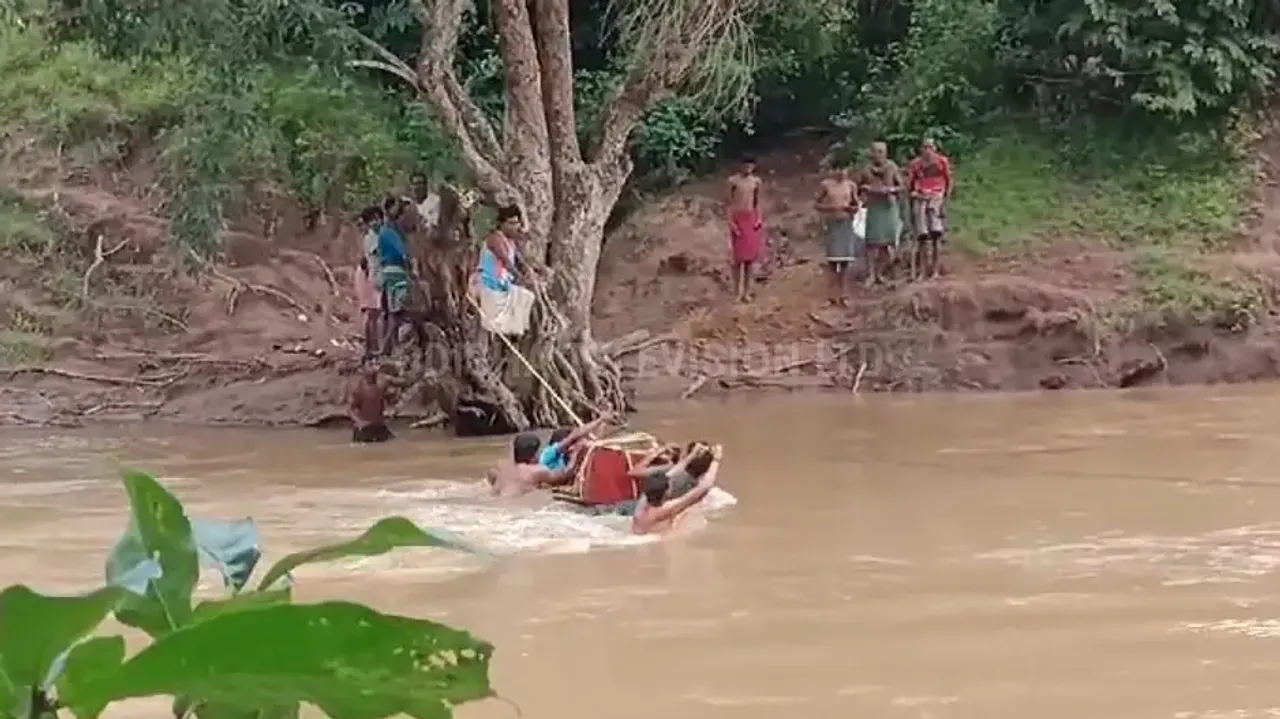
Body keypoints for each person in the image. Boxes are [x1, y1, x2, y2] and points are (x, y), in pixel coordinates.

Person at [632, 443, 722, 535]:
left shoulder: (643, 502)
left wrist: (692, 455)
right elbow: (704, 487)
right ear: (666, 493)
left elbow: (672, 473)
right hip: (655, 539)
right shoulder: (665, 509)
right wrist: (717, 459)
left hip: (638, 532)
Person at [377, 198, 428, 359]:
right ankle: (389, 347)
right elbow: (403, 255)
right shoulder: (389, 232)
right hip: (395, 271)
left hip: (392, 271)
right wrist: (412, 271)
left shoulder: (393, 231)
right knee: (401, 311)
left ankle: (388, 347)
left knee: (397, 312)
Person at [856, 142, 904, 287]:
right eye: (876, 151)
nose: (879, 154)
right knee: (871, 243)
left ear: (886, 153)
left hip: (889, 207)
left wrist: (890, 190)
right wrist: (866, 189)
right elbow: (858, 188)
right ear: (871, 153)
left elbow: (902, 186)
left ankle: (880, 273)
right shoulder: (866, 170)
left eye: (881, 151)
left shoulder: (892, 167)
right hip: (874, 207)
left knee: (887, 243)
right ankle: (870, 274)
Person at [815, 165, 861, 305]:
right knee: (833, 261)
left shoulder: (851, 185)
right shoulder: (826, 185)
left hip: (846, 224)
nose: (842, 172)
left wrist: (851, 209)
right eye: (839, 169)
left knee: (845, 261)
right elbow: (817, 204)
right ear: (833, 170)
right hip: (832, 224)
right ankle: (832, 294)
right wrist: (830, 208)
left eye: (844, 169)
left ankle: (844, 293)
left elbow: (856, 203)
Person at [907, 138, 953, 280]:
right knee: (922, 236)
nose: (927, 150)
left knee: (936, 235)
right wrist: (911, 200)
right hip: (920, 197)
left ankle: (935, 270)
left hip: (936, 196)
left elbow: (948, 180)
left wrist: (945, 202)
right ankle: (922, 271)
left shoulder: (941, 162)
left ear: (935, 148)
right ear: (921, 149)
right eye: (925, 147)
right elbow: (910, 183)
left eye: (930, 147)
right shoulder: (916, 164)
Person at [489, 433, 576, 498]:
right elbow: (566, 473)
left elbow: (491, 475)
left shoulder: (502, 469)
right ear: (533, 456)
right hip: (515, 505)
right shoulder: (537, 471)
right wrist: (576, 454)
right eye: (538, 452)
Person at [726, 157, 764, 303]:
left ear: (753, 166)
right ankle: (737, 291)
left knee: (750, 259)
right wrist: (731, 222)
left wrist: (759, 218)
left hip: (751, 218)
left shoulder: (756, 182)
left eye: (750, 165)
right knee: (737, 259)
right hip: (738, 218)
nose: (748, 167)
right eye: (745, 164)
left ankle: (747, 292)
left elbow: (757, 202)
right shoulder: (733, 181)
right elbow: (728, 203)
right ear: (740, 165)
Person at [539, 416, 610, 474]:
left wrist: (602, 422)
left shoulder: (570, 454)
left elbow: (597, 443)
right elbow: (566, 474)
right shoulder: (548, 453)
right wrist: (575, 453)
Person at [357, 205, 384, 356]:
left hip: (374, 275)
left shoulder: (376, 236)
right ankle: (371, 349)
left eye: (377, 218)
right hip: (372, 276)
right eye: (372, 220)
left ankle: (374, 347)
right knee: (372, 313)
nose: (376, 222)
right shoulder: (373, 237)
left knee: (376, 313)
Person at [348, 364, 396, 443]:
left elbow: (386, 404)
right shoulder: (359, 390)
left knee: (393, 443)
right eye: (370, 375)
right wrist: (360, 422)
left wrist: (391, 411)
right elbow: (350, 409)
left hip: (378, 425)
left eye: (374, 375)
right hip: (364, 427)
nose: (372, 377)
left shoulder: (379, 388)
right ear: (365, 376)